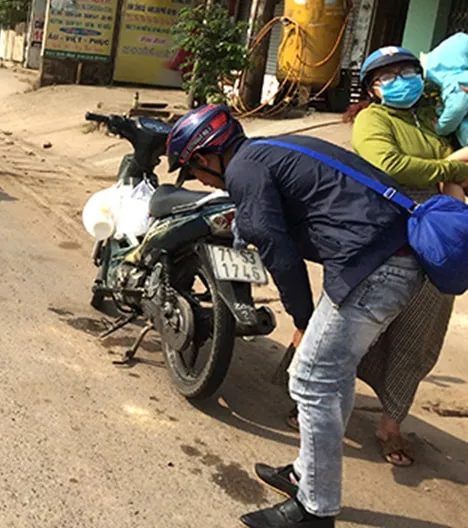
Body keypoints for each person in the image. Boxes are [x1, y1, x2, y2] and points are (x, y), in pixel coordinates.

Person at [168, 104, 425, 527]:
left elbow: (278, 252)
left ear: (205, 157)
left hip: (374, 269)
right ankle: (306, 474)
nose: (199, 181)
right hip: (389, 261)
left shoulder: (244, 170)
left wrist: (302, 320)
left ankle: (315, 509)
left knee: (310, 378)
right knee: (332, 373)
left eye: (192, 171)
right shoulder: (268, 150)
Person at [346, 46, 468, 466]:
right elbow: (389, 164)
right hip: (384, 233)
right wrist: (452, 168)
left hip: (435, 239)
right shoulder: (372, 120)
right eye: (388, 76)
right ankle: (310, 398)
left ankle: (391, 424)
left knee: (418, 332)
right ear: (372, 89)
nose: (401, 81)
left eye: (407, 71)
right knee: (354, 324)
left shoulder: (432, 122)